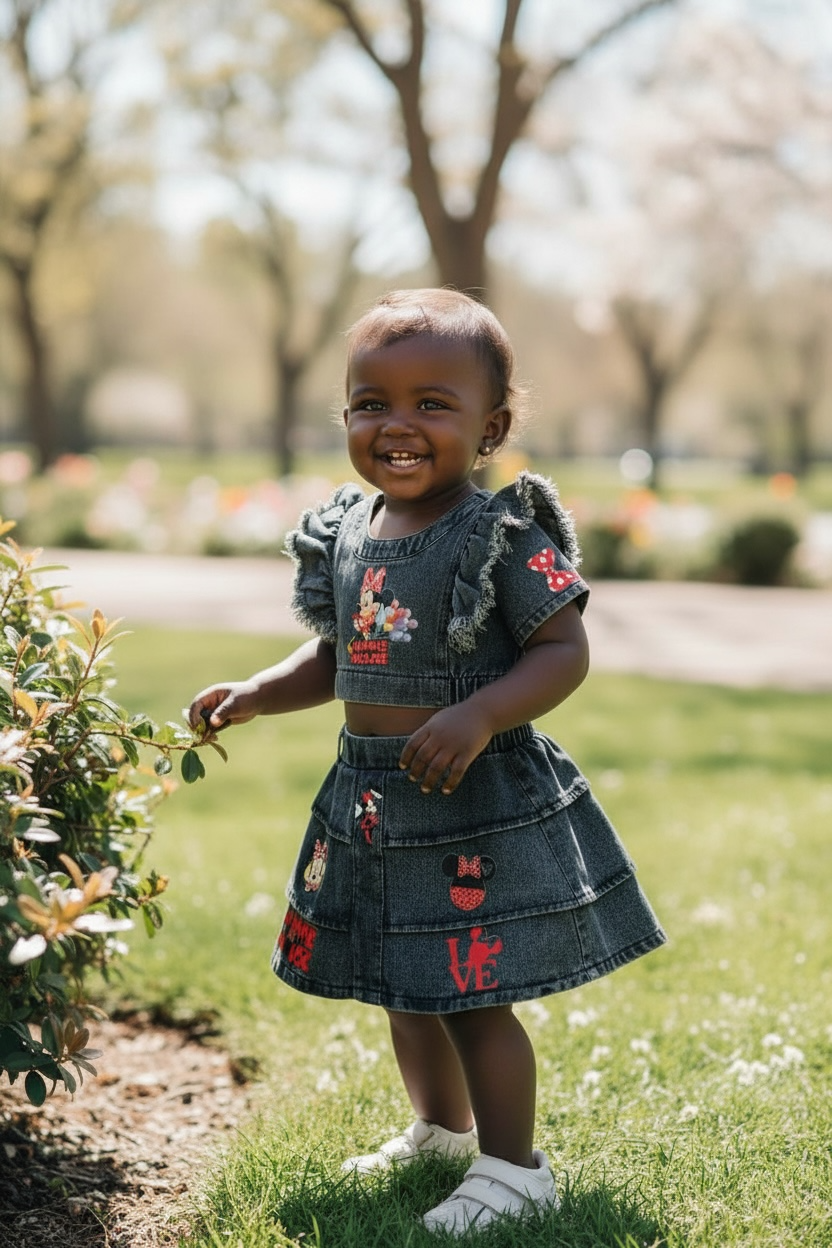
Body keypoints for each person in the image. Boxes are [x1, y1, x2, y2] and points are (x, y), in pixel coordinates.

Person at [188, 288, 666, 1235]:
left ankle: (515, 1169)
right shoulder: (350, 531)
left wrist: (480, 714)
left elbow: (563, 650)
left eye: (432, 404)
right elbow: (336, 655)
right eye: (373, 402)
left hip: (470, 799)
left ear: (490, 429)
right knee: (401, 984)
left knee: (473, 993)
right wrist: (258, 692)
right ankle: (442, 1134)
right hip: (374, 799)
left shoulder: (499, 534)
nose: (397, 424)